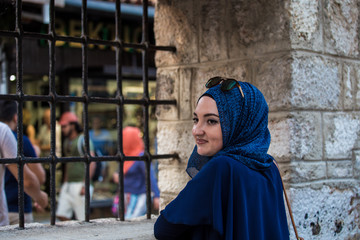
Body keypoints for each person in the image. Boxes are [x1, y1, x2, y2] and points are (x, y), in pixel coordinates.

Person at [154, 77, 290, 239]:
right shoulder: (269, 165)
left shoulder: (222, 167)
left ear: (240, 123)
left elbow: (163, 228)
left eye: (211, 121)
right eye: (196, 119)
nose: (197, 130)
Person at [0, 100, 46, 224]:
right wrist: (39, 197)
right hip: (18, 209)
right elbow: (38, 177)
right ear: (16, 117)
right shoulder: (21, 140)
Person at [112, 126, 160, 220]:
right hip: (125, 196)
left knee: (131, 223)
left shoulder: (141, 156)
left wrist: (157, 196)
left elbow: (150, 177)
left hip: (138, 198)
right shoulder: (124, 155)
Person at [56, 111, 96, 221]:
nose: (63, 129)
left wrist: (85, 184)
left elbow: (92, 161)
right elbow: (68, 164)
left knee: (82, 219)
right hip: (69, 184)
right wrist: (64, 183)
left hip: (80, 183)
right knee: (61, 214)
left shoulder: (83, 140)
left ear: (73, 125)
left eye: (65, 126)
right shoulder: (66, 142)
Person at [89, 116, 113, 181]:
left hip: (103, 158)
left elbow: (110, 148)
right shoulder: (88, 134)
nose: (96, 124)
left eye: (98, 122)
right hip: (91, 159)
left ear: (100, 123)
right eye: (94, 123)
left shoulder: (106, 133)